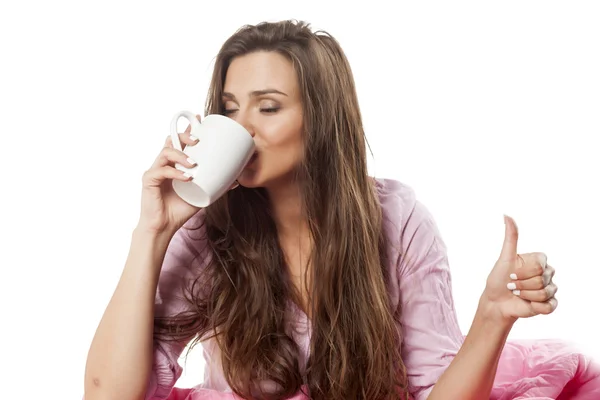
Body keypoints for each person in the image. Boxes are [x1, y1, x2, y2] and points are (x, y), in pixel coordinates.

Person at [84, 20, 600, 400]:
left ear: (321, 120)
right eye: (229, 107)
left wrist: (492, 316)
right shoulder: (207, 227)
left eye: (267, 107)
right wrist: (152, 232)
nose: (242, 127)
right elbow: (107, 396)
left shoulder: (398, 221)